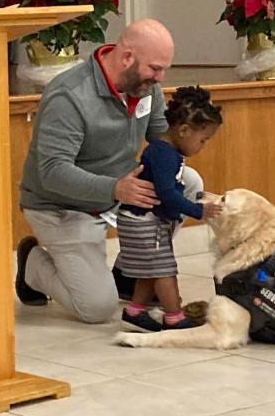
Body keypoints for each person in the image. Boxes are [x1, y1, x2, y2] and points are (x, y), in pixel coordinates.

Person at [15, 18, 204, 323]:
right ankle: (33, 266)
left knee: (190, 181)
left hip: (118, 191)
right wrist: (115, 188)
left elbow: (162, 140)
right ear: (127, 57)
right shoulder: (69, 95)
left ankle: (132, 271)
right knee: (97, 309)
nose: (161, 77)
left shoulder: (146, 89)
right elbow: (52, 171)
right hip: (62, 206)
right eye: (155, 68)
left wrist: (192, 132)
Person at [117, 86, 223, 333]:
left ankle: (135, 312)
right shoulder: (163, 154)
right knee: (164, 271)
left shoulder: (166, 151)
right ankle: (174, 316)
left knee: (150, 270)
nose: (203, 146)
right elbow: (167, 194)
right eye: (203, 140)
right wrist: (198, 210)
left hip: (143, 221)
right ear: (184, 131)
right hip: (144, 222)